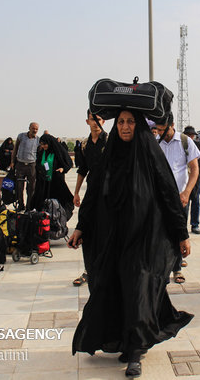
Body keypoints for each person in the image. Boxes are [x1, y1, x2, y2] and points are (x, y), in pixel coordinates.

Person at [71, 110, 193, 378]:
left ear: (138, 126)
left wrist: (181, 233)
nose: (126, 127)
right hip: (112, 237)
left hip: (144, 238)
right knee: (113, 288)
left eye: (131, 122)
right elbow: (93, 193)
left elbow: (169, 194)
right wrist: (80, 226)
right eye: (122, 122)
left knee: (139, 288)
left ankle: (136, 352)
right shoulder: (109, 155)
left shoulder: (150, 155)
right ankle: (127, 340)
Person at [156, 115, 200, 284]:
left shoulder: (185, 141)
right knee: (160, 233)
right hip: (159, 199)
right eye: (158, 130)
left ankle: (177, 269)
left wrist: (187, 192)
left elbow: (194, 169)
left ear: (172, 125)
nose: (161, 133)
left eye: (164, 129)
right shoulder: (155, 142)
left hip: (180, 198)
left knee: (178, 232)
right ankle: (162, 268)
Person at [70, 111, 107, 287]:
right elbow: (82, 170)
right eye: (93, 119)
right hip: (92, 193)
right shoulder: (84, 145)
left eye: (99, 119)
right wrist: (76, 193)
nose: (96, 123)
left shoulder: (110, 141)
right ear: (87, 121)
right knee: (87, 229)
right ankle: (89, 270)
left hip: (109, 194)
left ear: (104, 121)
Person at [29, 133, 74, 218]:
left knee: (58, 202)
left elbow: (68, 162)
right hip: (43, 182)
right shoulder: (42, 152)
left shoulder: (58, 151)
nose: (43, 146)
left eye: (45, 144)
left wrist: (63, 169)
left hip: (55, 181)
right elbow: (38, 163)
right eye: (41, 144)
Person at [10, 122, 40, 211]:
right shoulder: (21, 136)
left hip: (31, 165)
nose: (34, 130)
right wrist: (12, 161)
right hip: (20, 165)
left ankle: (29, 206)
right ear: (29, 128)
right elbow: (15, 149)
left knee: (31, 188)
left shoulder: (38, 140)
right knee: (19, 186)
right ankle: (21, 205)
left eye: (36, 129)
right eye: (33, 128)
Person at [183, 126, 200, 235]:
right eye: (189, 135)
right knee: (184, 203)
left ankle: (195, 225)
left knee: (195, 201)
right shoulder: (181, 144)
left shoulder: (196, 145)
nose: (191, 137)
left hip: (195, 178)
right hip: (184, 179)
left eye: (192, 135)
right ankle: (183, 226)